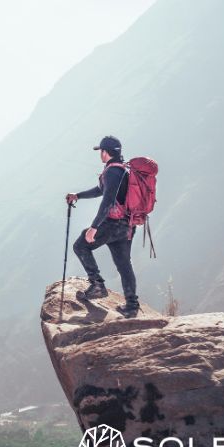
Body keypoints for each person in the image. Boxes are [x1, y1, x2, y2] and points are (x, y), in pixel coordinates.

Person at [66, 135, 140, 317]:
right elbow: (101, 190)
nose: (100, 154)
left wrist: (94, 227)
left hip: (113, 224)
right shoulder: (121, 170)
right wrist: (79, 195)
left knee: (81, 245)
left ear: (105, 152)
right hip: (127, 225)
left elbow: (107, 200)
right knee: (124, 265)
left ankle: (97, 284)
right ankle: (132, 306)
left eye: (100, 151)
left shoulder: (113, 172)